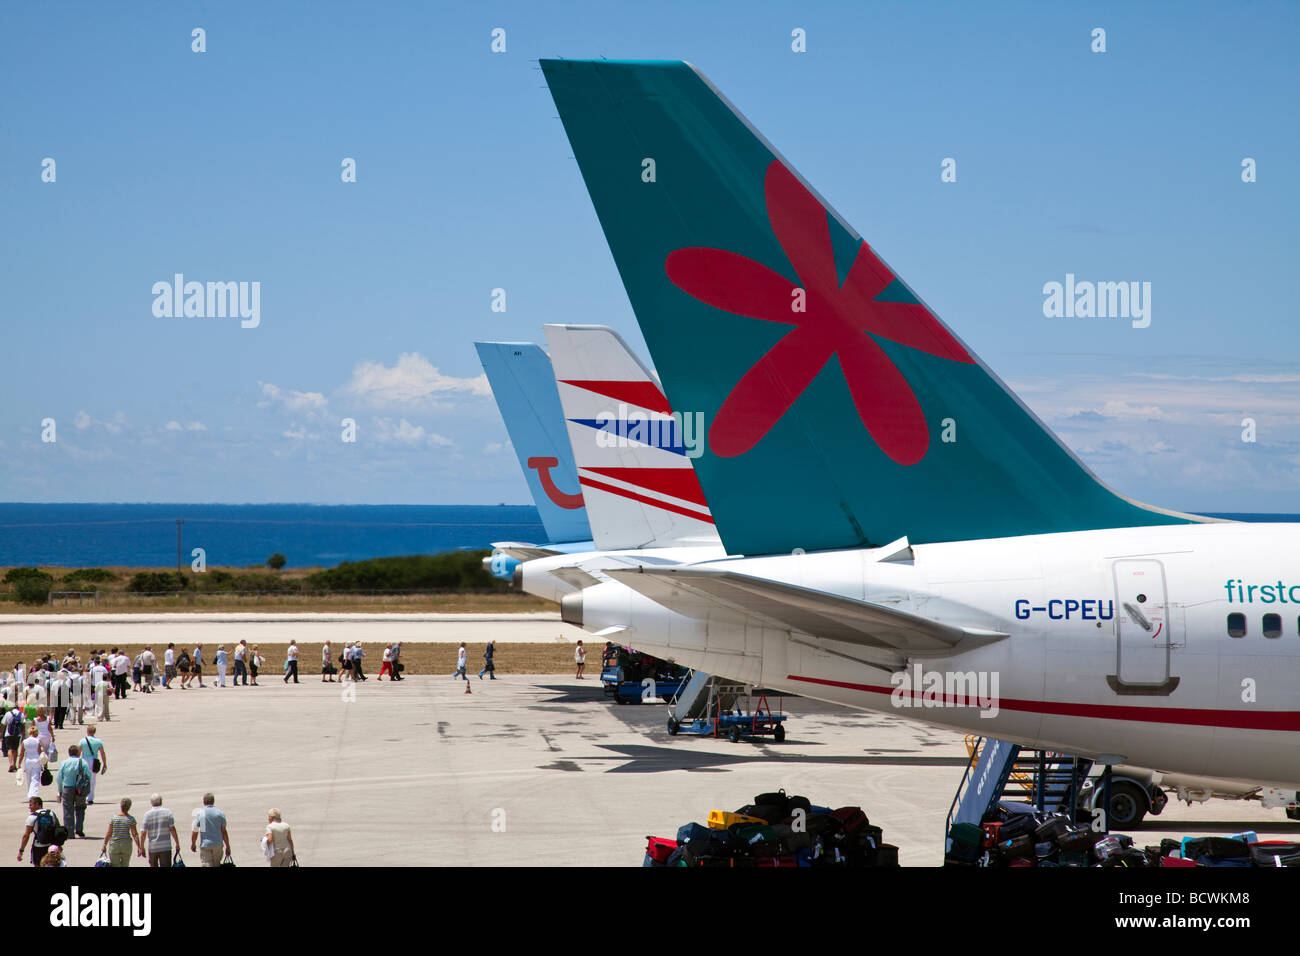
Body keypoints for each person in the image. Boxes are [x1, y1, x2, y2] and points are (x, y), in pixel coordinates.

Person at [56, 743, 91, 840]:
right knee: (80, 808)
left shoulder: (64, 763)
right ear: (78, 753)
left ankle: (70, 832)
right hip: (80, 789)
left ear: (69, 753)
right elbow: (88, 775)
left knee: (68, 809)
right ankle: (79, 829)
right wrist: (87, 788)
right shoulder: (82, 762)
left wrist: (60, 790)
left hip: (67, 788)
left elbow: (59, 778)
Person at [191, 792, 232, 866]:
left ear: (204, 802)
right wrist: (228, 846)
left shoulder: (200, 813)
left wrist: (193, 843)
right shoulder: (219, 813)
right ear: (213, 801)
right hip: (218, 845)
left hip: (205, 845)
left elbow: (195, 831)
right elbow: (224, 832)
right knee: (217, 864)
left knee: (207, 865)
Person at [101, 796, 143, 867]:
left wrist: (104, 845)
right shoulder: (131, 819)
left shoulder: (113, 818)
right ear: (129, 807)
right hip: (126, 845)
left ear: (120, 806)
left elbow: (109, 833)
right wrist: (139, 847)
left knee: (114, 865)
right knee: (125, 864)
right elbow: (134, 834)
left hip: (114, 845)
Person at [17, 796, 58, 866]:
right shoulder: (51, 813)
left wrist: (21, 851)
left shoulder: (32, 817)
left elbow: (26, 836)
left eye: (31, 805)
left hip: (38, 847)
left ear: (37, 804)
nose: (29, 807)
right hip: (51, 846)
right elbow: (57, 829)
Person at [142, 793, 179, 868]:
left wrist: (141, 847)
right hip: (166, 846)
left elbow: (143, 832)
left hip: (153, 847)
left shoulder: (147, 815)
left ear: (151, 802)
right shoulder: (168, 812)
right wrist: (177, 843)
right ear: (161, 801)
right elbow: (172, 829)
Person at [78, 725, 106, 805]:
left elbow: (78, 752)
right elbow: (102, 753)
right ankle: (90, 798)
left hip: (84, 760)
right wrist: (104, 763)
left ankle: (83, 796)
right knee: (92, 780)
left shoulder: (82, 741)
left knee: (83, 779)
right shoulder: (98, 741)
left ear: (87, 731)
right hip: (94, 760)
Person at [20, 725, 44, 799]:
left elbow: (21, 753)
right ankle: (33, 794)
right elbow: (40, 753)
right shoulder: (37, 741)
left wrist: (19, 763)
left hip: (28, 761)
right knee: (35, 779)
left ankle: (29, 794)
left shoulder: (24, 741)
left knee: (29, 779)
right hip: (36, 761)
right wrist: (44, 764)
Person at [3, 703, 24, 772]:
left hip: (8, 734)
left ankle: (10, 763)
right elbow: (23, 724)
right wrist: (23, 734)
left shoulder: (8, 714)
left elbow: (3, 724)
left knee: (9, 749)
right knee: (15, 749)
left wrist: (1, 732)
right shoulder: (21, 714)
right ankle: (14, 764)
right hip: (17, 734)